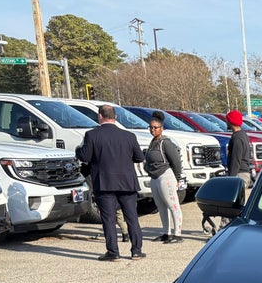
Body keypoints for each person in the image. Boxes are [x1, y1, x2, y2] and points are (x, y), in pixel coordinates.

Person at [76, 104, 145, 261]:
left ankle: (113, 252)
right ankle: (136, 250)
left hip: (104, 182)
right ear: (115, 117)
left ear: (100, 116)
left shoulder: (92, 135)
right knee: (132, 217)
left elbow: (85, 156)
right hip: (127, 183)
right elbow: (139, 157)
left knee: (109, 219)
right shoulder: (129, 136)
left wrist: (77, 150)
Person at [144, 111, 185, 244]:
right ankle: (166, 233)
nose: (152, 130)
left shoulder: (165, 143)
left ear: (161, 128)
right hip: (154, 177)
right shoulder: (152, 142)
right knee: (161, 207)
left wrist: (178, 178)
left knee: (173, 205)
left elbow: (176, 161)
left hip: (166, 176)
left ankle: (177, 234)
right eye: (150, 127)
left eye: (155, 127)